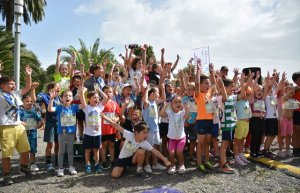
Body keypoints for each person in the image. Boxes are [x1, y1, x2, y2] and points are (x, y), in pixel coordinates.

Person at [102, 114, 171, 179]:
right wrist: (106, 118)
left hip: (132, 159)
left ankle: (139, 170)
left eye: (147, 132)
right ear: (136, 132)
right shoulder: (129, 135)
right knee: (114, 175)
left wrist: (165, 160)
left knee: (141, 151)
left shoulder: (144, 143)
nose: (146, 134)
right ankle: (124, 168)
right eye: (144, 132)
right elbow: (117, 126)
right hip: (122, 159)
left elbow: (155, 151)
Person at [0, 65, 32, 185]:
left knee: (25, 149)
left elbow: (27, 87)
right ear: (2, 86)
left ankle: (23, 167)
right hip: (5, 126)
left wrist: (28, 75)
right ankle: (7, 175)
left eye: (14, 84)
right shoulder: (0, 96)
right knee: (7, 153)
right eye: (10, 84)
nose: (13, 86)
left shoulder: (16, 95)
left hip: (18, 125)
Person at [48, 89, 83, 177]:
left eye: (70, 96)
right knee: (61, 151)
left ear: (72, 98)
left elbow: (84, 105)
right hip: (62, 133)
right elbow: (50, 109)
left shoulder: (74, 107)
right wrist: (52, 99)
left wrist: (82, 94)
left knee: (70, 150)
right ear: (62, 98)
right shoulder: (59, 107)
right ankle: (60, 168)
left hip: (71, 133)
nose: (67, 97)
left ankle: (71, 167)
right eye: (65, 96)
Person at [33, 82, 61, 171]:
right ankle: (48, 163)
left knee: (58, 143)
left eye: (59, 87)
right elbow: (35, 100)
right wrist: (33, 89)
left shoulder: (60, 97)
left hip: (59, 123)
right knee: (50, 144)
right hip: (50, 123)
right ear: (51, 89)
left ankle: (57, 160)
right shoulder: (44, 96)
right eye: (57, 87)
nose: (59, 89)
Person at [80, 87, 108, 174]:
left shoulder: (99, 107)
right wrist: (83, 91)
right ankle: (87, 164)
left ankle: (96, 164)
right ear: (89, 99)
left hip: (97, 134)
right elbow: (82, 98)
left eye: (97, 97)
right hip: (88, 134)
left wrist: (99, 91)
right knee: (87, 150)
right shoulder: (86, 108)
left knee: (96, 150)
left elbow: (106, 98)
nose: (97, 99)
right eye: (94, 97)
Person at [159, 96, 189, 174]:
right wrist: (165, 106)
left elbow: (187, 117)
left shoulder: (182, 112)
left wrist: (186, 108)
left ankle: (181, 165)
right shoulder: (169, 112)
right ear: (172, 104)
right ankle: (172, 166)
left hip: (181, 137)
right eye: (175, 102)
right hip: (172, 137)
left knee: (179, 152)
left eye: (179, 102)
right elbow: (161, 114)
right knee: (171, 152)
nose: (178, 103)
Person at [142, 84, 166, 173]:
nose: (158, 94)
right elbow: (145, 100)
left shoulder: (155, 102)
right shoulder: (147, 103)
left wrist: (162, 89)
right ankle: (147, 164)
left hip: (156, 129)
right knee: (148, 147)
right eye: (157, 92)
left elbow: (163, 99)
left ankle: (155, 164)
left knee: (155, 146)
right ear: (152, 94)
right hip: (149, 130)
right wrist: (147, 90)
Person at [20, 94, 43, 172]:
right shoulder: (20, 111)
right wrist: (26, 124)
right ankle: (23, 165)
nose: (29, 103)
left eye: (31, 101)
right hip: (22, 134)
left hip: (33, 133)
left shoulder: (35, 111)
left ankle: (33, 163)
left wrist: (39, 125)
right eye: (27, 101)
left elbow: (40, 121)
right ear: (22, 102)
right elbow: (18, 121)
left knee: (33, 149)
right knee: (24, 150)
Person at [100, 85, 120, 169]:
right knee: (103, 145)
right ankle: (104, 161)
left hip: (111, 129)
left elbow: (118, 115)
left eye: (110, 92)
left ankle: (112, 160)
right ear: (102, 93)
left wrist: (116, 119)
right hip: (102, 129)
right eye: (106, 92)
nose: (108, 93)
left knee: (111, 144)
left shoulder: (114, 104)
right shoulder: (100, 103)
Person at [278, 83, 298, 157]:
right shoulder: (284, 97)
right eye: (289, 89)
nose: (292, 91)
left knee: (289, 135)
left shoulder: (293, 100)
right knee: (282, 135)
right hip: (284, 119)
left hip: (290, 120)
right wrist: (288, 89)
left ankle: (287, 150)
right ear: (285, 91)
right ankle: (280, 151)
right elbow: (285, 97)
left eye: (292, 90)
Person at [292, 71, 300, 156]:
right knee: (296, 132)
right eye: (299, 80)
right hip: (297, 113)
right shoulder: (294, 89)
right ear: (295, 81)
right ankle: (295, 149)